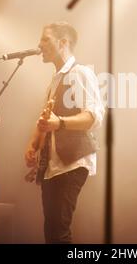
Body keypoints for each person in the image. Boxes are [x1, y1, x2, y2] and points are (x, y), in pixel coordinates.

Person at [25, 22, 104, 244]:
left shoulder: (80, 73)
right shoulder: (55, 81)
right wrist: (33, 146)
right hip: (53, 165)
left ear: (63, 43)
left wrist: (59, 123)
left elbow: (93, 117)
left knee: (59, 231)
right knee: (52, 232)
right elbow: (44, 120)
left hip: (73, 162)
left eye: (45, 40)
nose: (39, 45)